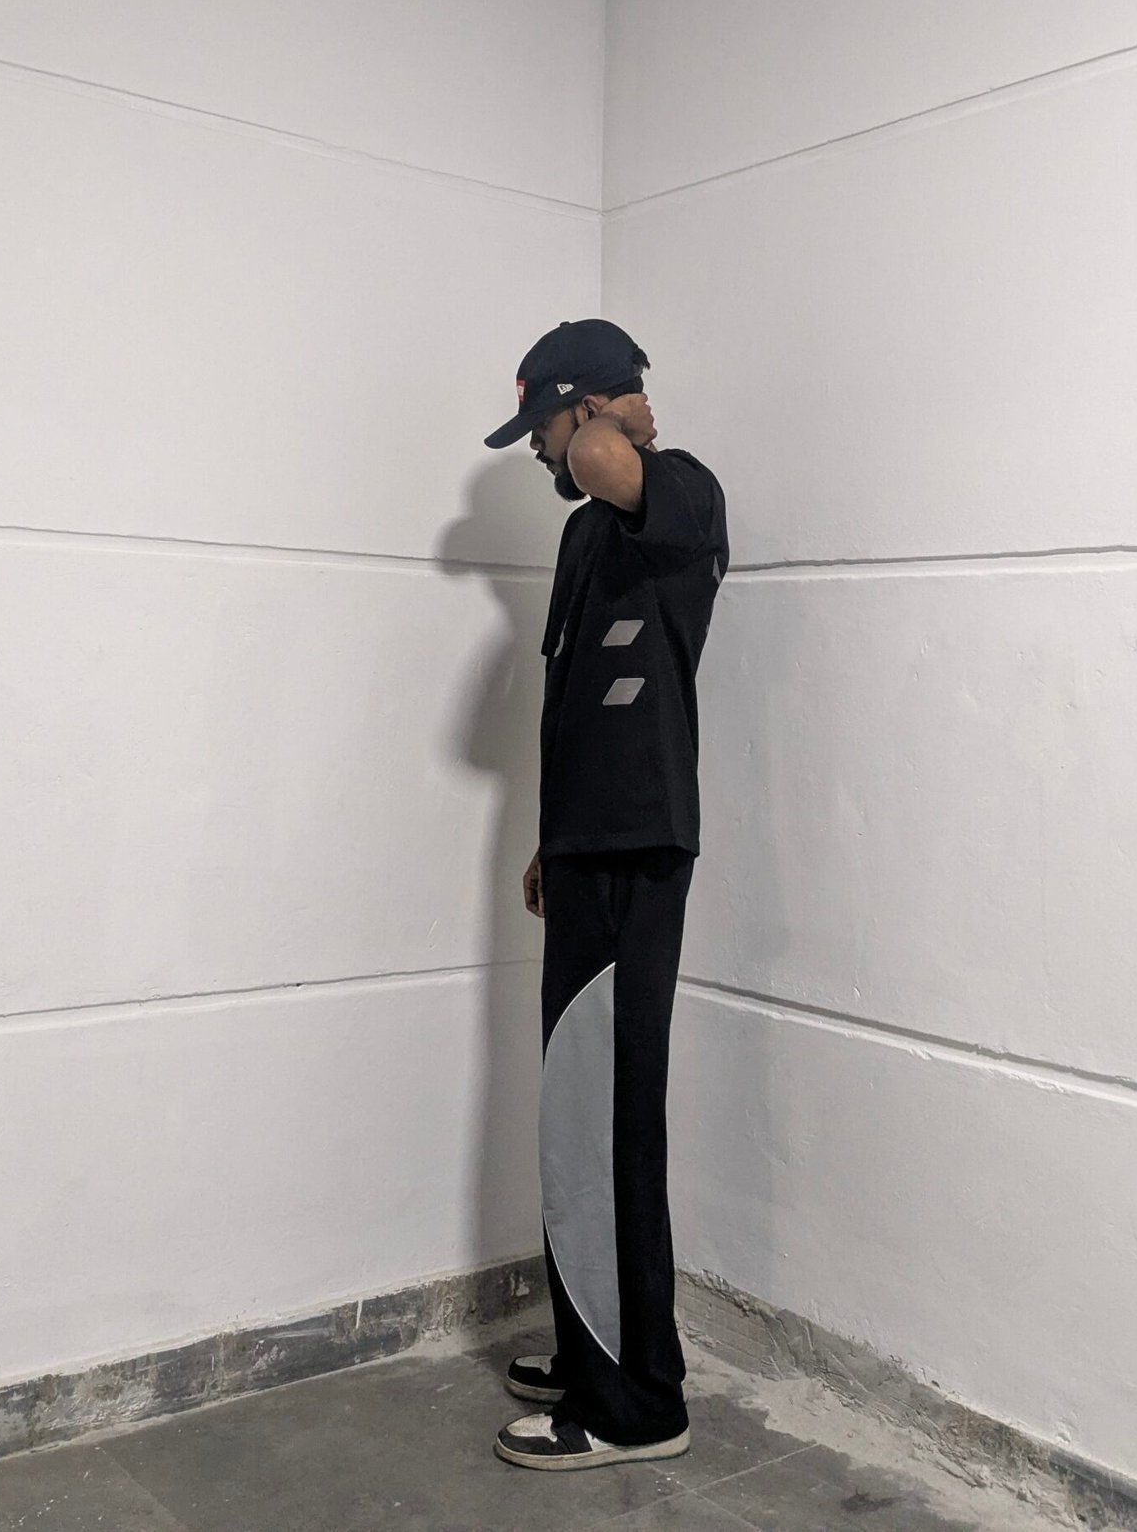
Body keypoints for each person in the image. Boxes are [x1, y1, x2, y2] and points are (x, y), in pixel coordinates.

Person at [481, 317, 728, 1471]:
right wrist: (551, 839)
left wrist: (600, 414)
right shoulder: (587, 535)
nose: (537, 450)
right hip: (589, 846)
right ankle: (595, 1351)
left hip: (638, 845)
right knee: (575, 1111)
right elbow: (577, 699)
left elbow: (598, 457)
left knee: (612, 1116)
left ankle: (636, 1405)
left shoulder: (680, 490)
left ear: (580, 404)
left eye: (537, 425)